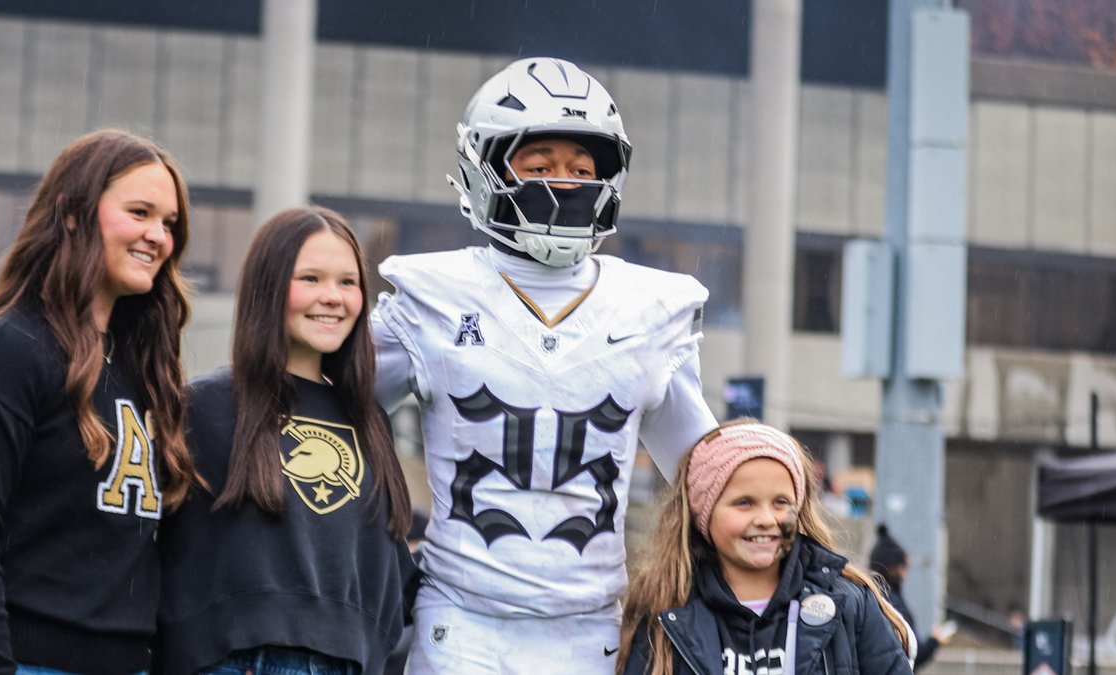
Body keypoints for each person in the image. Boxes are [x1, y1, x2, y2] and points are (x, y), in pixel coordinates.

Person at [371, 57, 718, 673]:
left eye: (582, 168)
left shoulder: (652, 307)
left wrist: (821, 568)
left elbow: (711, 475)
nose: (565, 182)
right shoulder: (432, 294)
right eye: (540, 165)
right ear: (484, 169)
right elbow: (323, 411)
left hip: (592, 628)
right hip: (460, 623)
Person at [0, 129, 201, 674]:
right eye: (139, 212)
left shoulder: (148, 369)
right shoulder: (1, 351)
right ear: (73, 213)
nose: (158, 236)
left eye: (169, 223)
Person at [156, 206, 415, 674]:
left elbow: (388, 564)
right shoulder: (204, 408)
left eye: (348, 282)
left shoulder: (370, 418)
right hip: (241, 661)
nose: (332, 297)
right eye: (311, 279)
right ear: (269, 286)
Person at [618, 419, 915, 675]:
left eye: (781, 503)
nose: (765, 519)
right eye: (744, 503)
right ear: (703, 513)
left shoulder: (850, 603)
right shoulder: (665, 609)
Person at [868, 524, 953, 670]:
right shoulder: (890, 603)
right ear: (892, 567)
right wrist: (935, 641)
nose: (905, 573)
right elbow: (911, 655)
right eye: (903, 567)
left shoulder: (871, 597)